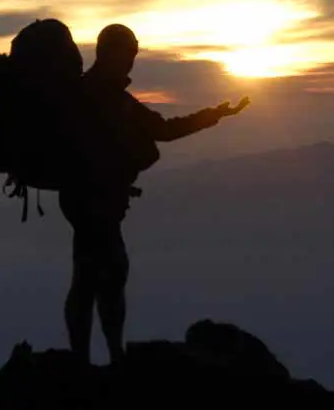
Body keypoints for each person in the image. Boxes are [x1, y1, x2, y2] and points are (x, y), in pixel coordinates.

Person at [61, 24, 250, 364]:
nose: (132, 61)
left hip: (87, 200)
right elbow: (161, 131)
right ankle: (103, 358)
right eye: (128, 54)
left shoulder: (102, 95)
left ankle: (88, 359)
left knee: (92, 275)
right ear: (109, 53)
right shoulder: (103, 97)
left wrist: (214, 115)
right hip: (94, 202)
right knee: (107, 273)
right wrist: (213, 116)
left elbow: (161, 131)